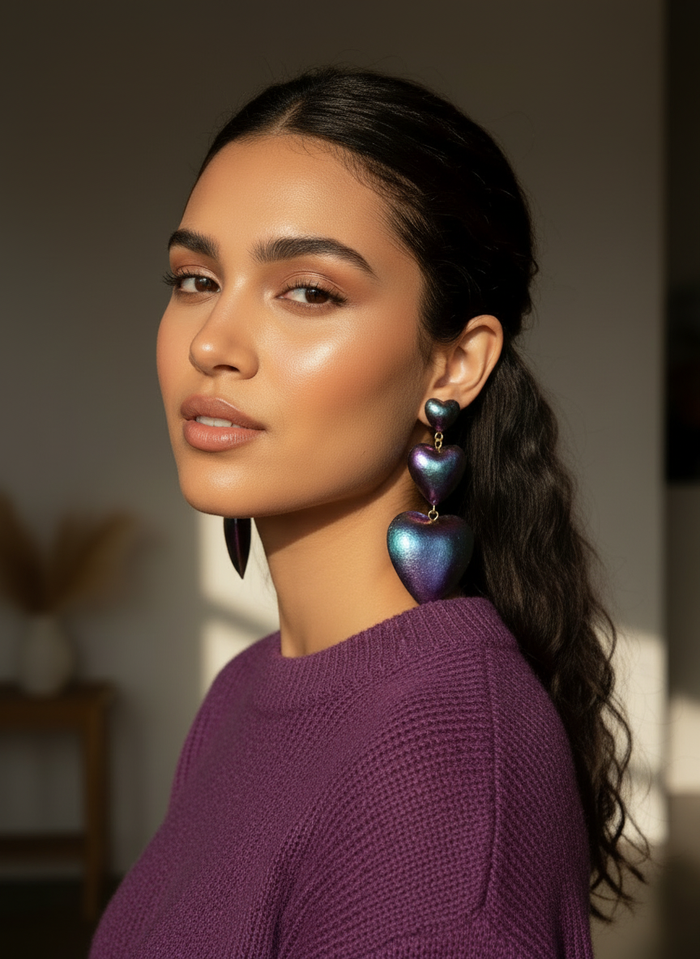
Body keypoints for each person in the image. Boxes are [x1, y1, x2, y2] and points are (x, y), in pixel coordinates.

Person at [90, 67, 645, 958]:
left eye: (309, 291)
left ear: (456, 363)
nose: (210, 343)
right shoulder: (244, 691)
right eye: (195, 277)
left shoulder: (438, 780)